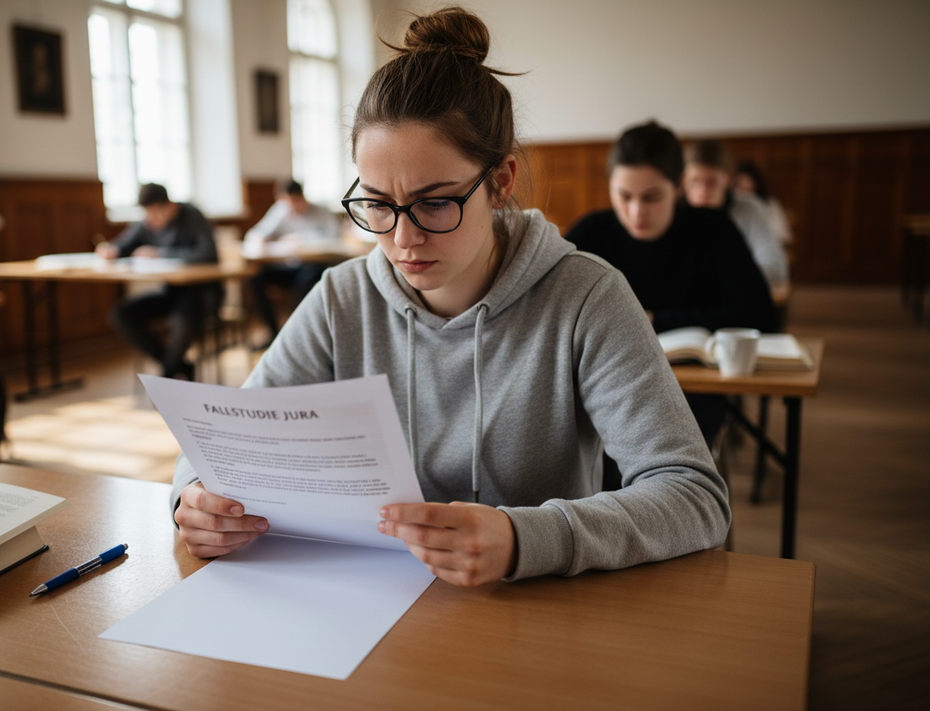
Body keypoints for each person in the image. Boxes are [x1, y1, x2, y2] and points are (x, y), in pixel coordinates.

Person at [169, 7, 730, 587]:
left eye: (436, 203)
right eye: (378, 204)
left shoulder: (586, 296)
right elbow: (226, 442)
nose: (402, 239)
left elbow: (694, 498)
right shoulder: (341, 298)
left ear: (501, 180)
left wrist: (522, 538)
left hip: (536, 617)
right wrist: (193, 499)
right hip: (367, 608)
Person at [565, 121, 779, 448]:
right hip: (607, 388)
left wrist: (658, 321)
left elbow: (760, 314)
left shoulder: (713, 229)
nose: (636, 212)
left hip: (690, 395)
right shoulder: (591, 233)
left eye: (652, 197)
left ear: (679, 186)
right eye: (624, 196)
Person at [96, 183, 220, 381]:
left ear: (169, 206)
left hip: (203, 293)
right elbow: (123, 245)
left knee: (180, 320)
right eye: (147, 215)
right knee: (122, 314)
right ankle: (176, 365)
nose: (151, 220)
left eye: (155, 214)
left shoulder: (191, 215)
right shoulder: (147, 221)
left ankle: (167, 376)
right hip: (171, 292)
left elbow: (208, 254)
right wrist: (111, 250)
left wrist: (160, 254)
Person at [243, 180, 340, 348]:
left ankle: (296, 336)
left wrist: (301, 240)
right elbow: (256, 234)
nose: (291, 208)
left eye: (294, 202)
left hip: (315, 266)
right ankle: (274, 334)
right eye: (286, 203)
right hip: (288, 267)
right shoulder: (281, 211)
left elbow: (335, 239)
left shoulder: (322, 212)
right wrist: (262, 239)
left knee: (305, 281)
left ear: (302, 198)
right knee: (256, 277)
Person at [683, 140, 789, 292]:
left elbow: (776, 267)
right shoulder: (673, 211)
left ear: (728, 177)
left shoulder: (750, 208)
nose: (702, 192)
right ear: (684, 178)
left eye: (712, 182)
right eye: (694, 181)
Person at [733, 159, 792, 248]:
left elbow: (784, 236)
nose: (745, 184)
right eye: (741, 180)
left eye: (748, 180)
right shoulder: (732, 206)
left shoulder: (769, 204)